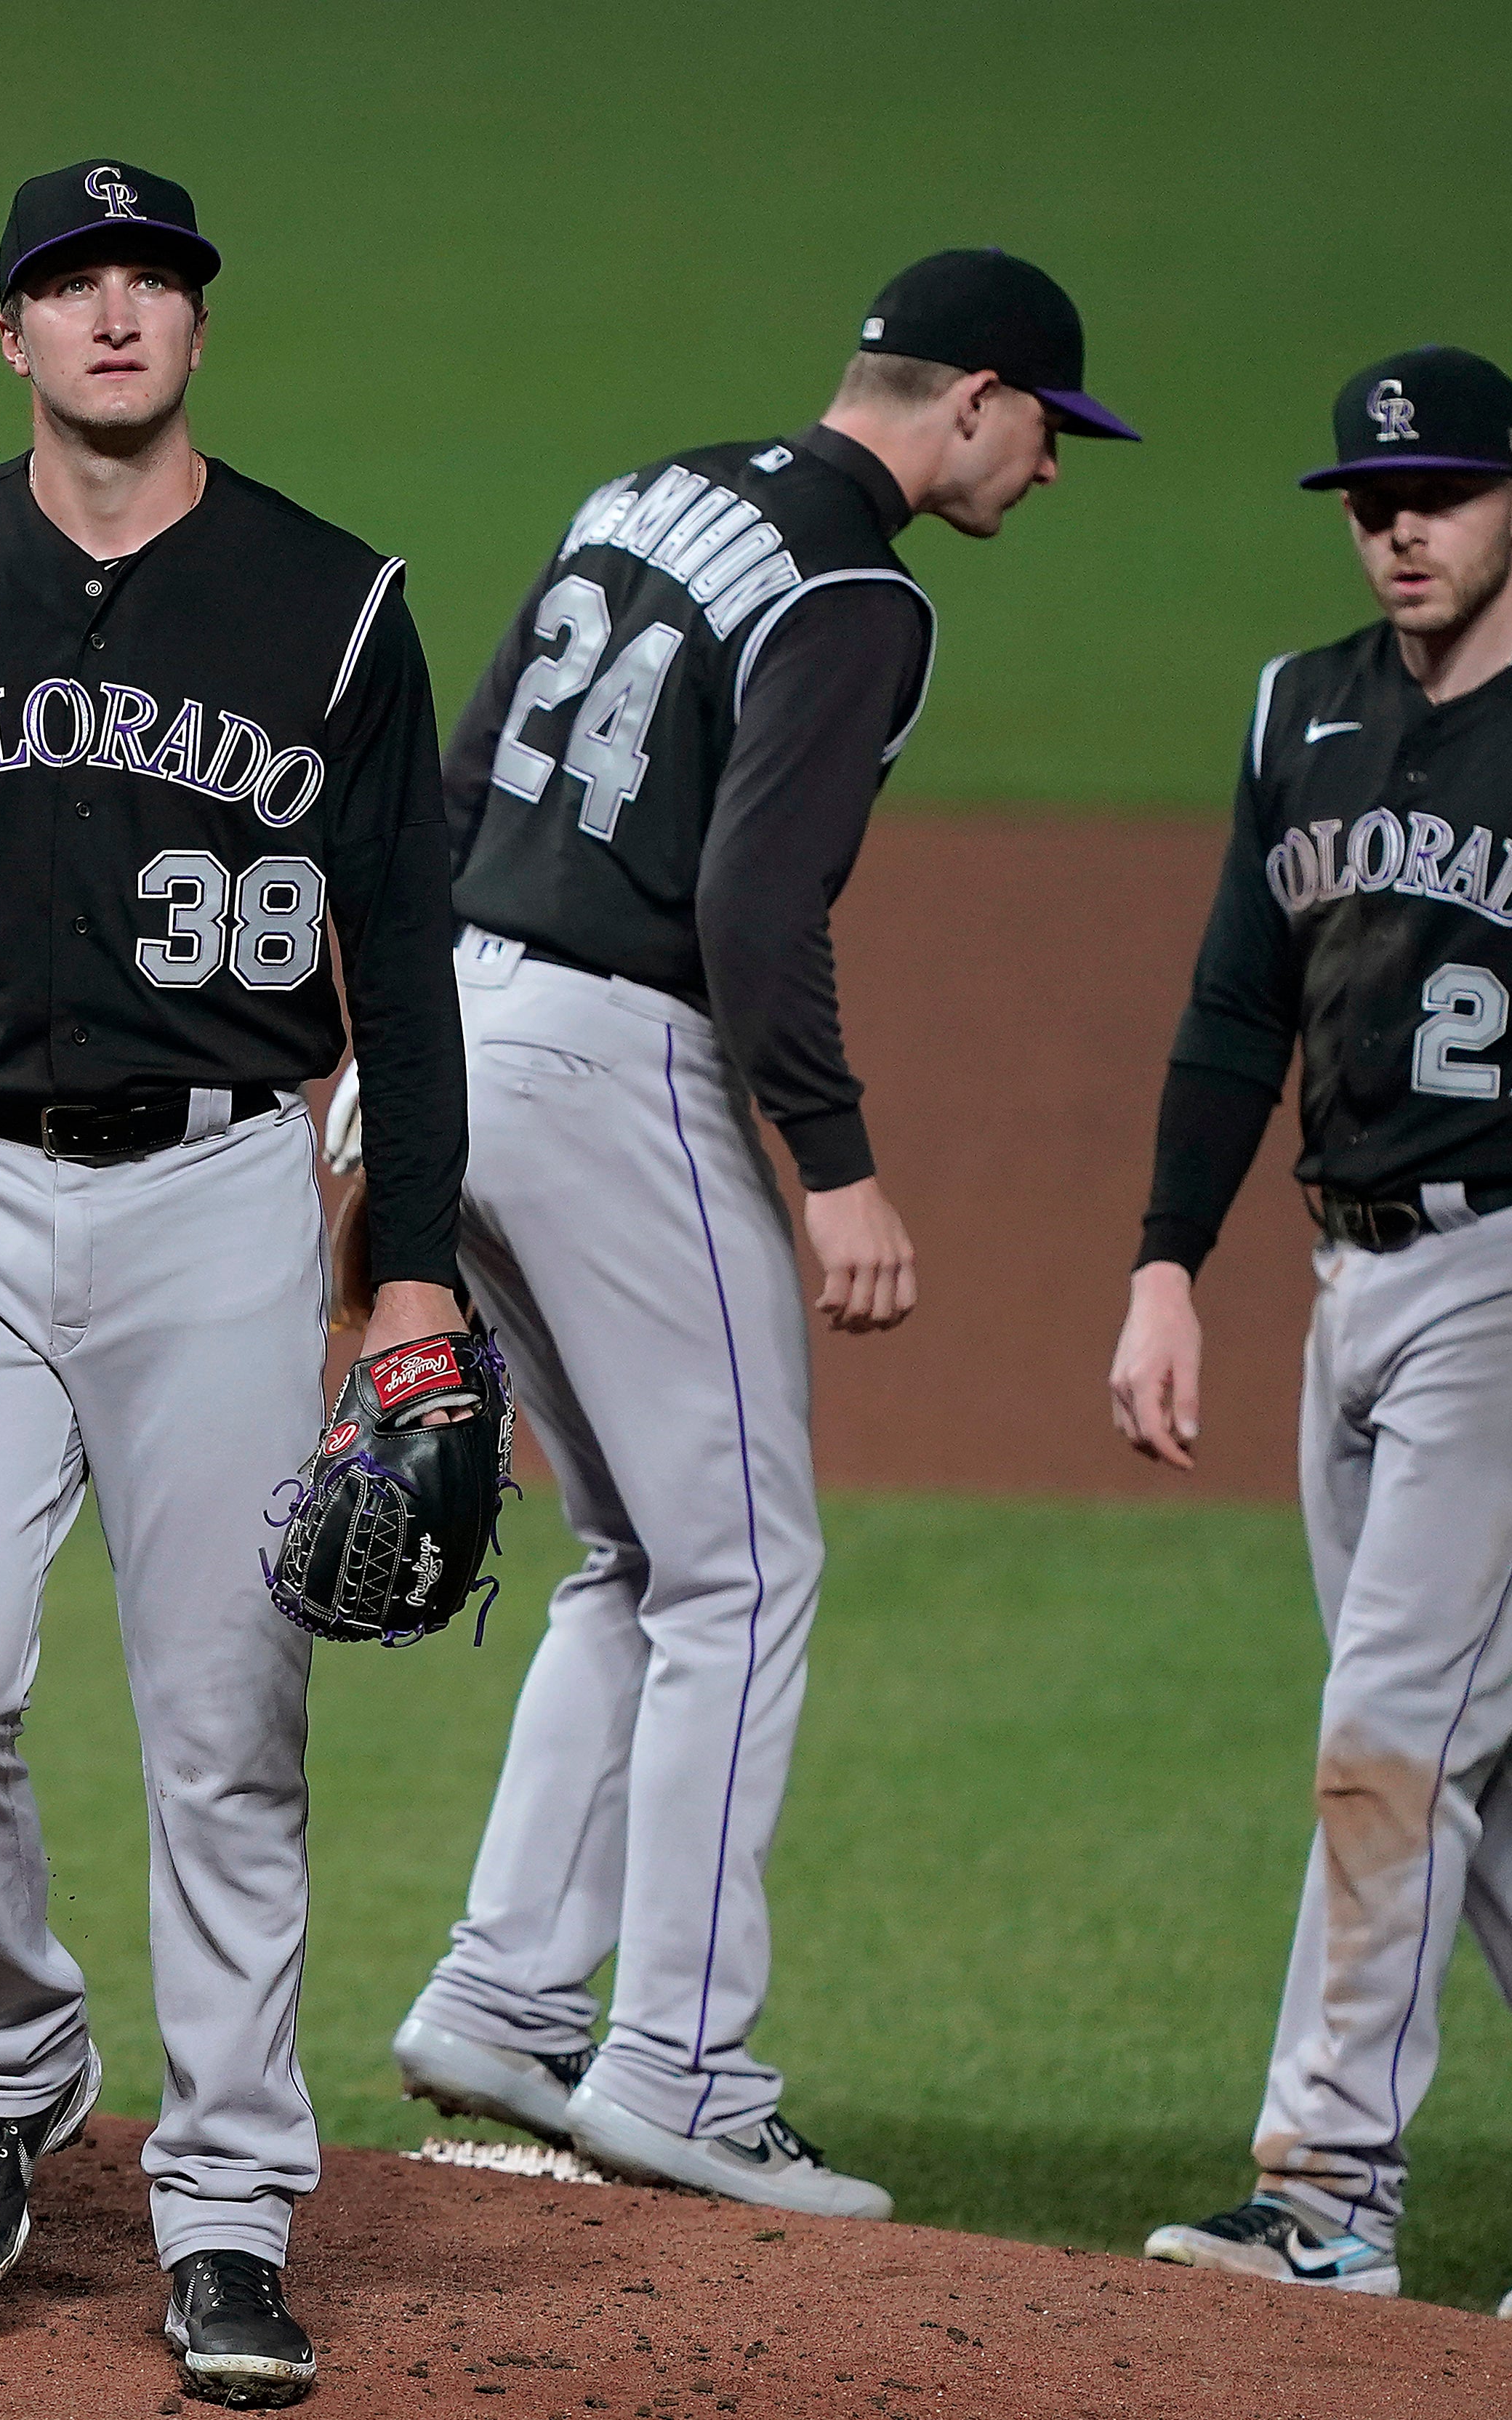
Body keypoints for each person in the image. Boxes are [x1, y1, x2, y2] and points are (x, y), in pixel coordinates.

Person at [0, 161, 465, 2407]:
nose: (110, 313)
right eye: (68, 285)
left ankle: (234, 2207)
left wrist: (412, 1276)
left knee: (222, 1728)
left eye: (149, 281)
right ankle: (10, 2071)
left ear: (195, 325)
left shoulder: (332, 606)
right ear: (9, 336)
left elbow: (410, 975)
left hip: (219, 1201)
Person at [382, 249, 1136, 2213]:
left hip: (453, 1031)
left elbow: (458, 777)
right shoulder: (859, 589)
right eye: (1049, 426)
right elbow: (751, 898)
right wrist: (840, 1158)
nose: (1052, 471)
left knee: (633, 1554)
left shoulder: (642, 494)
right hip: (611, 1066)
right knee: (742, 1572)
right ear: (971, 397)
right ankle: (686, 2063)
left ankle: (506, 1995)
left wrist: (382, 1063)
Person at [1111, 348, 1512, 2323]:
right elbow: (1241, 1009)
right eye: (1368, 497)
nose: (1400, 526)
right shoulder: (1294, 709)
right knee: (1439, 1746)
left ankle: (1325, 2191)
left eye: (1441, 493)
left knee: (1392, 1740)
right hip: (1353, 1283)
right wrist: (1163, 1262)